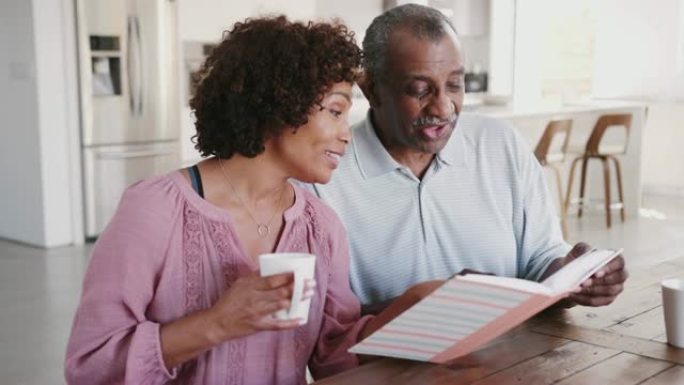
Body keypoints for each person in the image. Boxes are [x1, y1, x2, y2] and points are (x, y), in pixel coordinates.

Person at [65, 16, 425, 385]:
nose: (345, 135)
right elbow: (91, 366)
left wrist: (410, 310)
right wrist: (217, 324)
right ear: (279, 104)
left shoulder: (321, 226)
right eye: (335, 111)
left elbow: (334, 354)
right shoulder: (155, 210)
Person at [310, 4, 628, 314]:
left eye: (454, 85)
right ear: (371, 90)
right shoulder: (324, 176)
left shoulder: (501, 145)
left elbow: (541, 257)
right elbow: (325, 324)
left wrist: (573, 277)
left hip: (512, 361)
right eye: (420, 90)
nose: (443, 108)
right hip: (385, 367)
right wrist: (438, 303)